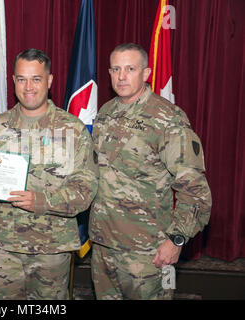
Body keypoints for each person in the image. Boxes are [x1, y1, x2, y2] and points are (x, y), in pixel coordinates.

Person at [0, 48, 98, 299]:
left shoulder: (72, 129)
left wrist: (41, 201)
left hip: (52, 251)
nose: (28, 86)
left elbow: (86, 191)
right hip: (5, 249)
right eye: (21, 79)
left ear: (49, 81)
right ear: (14, 81)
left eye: (36, 79)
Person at [89, 43, 212, 300]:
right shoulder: (105, 113)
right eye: (115, 69)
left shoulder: (167, 119)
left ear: (146, 73)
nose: (121, 76)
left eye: (130, 69)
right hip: (103, 246)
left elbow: (196, 192)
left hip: (148, 253)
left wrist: (175, 240)